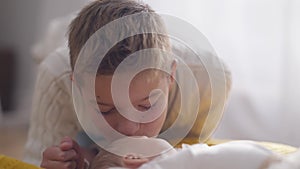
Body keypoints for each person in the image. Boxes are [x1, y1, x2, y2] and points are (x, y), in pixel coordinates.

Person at [25, 0, 231, 168]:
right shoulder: (56, 78)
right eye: (105, 110)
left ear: (170, 76)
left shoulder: (209, 82)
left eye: (146, 106)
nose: (128, 129)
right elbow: (35, 159)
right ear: (76, 88)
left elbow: (191, 156)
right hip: (56, 43)